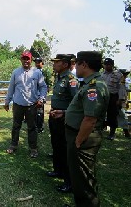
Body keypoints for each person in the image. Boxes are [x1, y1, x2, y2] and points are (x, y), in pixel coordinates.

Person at [51, 51, 109, 207]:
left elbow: (90, 119)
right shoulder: (89, 83)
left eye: (77, 63)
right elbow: (83, 110)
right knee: (79, 177)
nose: (74, 66)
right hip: (78, 134)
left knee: (84, 178)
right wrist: (64, 113)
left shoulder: (94, 87)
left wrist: (77, 141)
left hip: (83, 138)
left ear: (84, 64)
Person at [4, 50, 47, 158]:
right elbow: (11, 88)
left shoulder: (37, 72)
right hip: (18, 104)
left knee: (32, 127)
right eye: (24, 58)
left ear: (31, 60)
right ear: (21, 59)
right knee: (16, 126)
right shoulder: (16, 72)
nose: (26, 61)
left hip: (32, 105)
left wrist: (41, 99)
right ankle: (13, 145)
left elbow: (43, 87)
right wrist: (7, 101)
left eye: (27, 58)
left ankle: (33, 148)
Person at [47, 54, 78, 194]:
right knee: (56, 144)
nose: (54, 64)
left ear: (65, 64)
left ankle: (69, 182)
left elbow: (76, 102)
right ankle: (58, 171)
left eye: (56, 62)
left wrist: (64, 112)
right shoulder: (59, 78)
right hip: (55, 117)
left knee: (65, 149)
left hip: (64, 118)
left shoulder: (71, 80)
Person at [101, 58, 124, 140]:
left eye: (109, 64)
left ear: (112, 65)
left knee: (112, 115)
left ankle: (112, 133)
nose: (107, 66)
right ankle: (101, 130)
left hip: (113, 97)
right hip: (103, 97)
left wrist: (120, 99)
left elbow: (121, 88)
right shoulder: (102, 75)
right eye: (105, 64)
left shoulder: (118, 75)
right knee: (102, 114)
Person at [34, 57, 49, 133]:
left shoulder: (45, 72)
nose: (37, 64)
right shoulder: (33, 71)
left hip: (41, 95)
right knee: (35, 112)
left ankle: (40, 127)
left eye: (39, 62)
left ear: (42, 63)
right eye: (36, 62)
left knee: (40, 112)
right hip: (35, 95)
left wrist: (44, 95)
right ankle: (35, 126)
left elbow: (47, 84)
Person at [117, 69, 131, 139]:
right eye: (124, 74)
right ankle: (127, 134)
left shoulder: (123, 82)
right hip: (119, 102)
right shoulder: (119, 83)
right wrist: (120, 101)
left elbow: (124, 93)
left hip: (121, 102)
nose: (125, 76)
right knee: (123, 117)